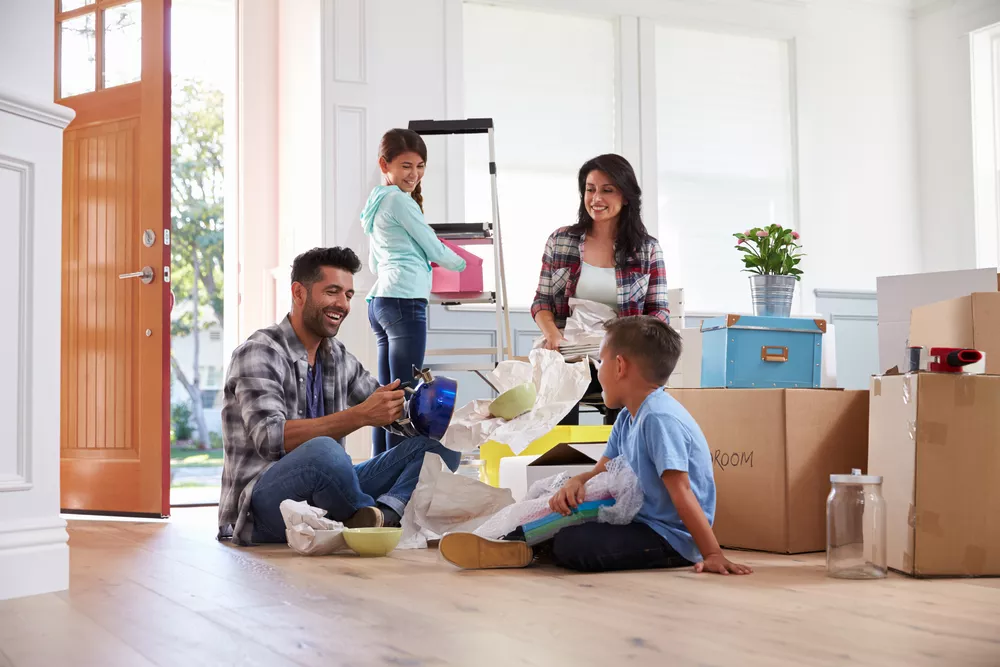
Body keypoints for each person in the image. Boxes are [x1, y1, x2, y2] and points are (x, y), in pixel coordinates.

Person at [438, 316, 752, 576]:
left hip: (670, 538)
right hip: (640, 520)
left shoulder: (658, 418)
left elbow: (681, 490)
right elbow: (600, 471)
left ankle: (519, 545)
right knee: (562, 512)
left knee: (574, 544)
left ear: (619, 367)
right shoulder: (630, 417)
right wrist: (576, 482)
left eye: (599, 361)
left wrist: (711, 553)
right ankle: (511, 541)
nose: (596, 370)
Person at [217, 246, 461, 546]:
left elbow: (385, 408)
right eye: (332, 292)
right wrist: (360, 416)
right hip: (261, 508)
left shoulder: (336, 356)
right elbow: (270, 438)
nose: (342, 304)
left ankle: (380, 516)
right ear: (299, 293)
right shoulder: (259, 351)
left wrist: (424, 410)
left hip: (323, 494)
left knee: (439, 448)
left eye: (348, 295)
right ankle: (361, 515)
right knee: (324, 451)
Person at [531, 154, 669, 426]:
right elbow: (541, 302)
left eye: (608, 190)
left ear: (626, 196)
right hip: (569, 349)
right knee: (556, 377)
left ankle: (620, 460)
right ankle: (560, 458)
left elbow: (659, 312)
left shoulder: (647, 249)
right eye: (590, 189)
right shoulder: (561, 241)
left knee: (626, 378)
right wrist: (552, 334)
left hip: (620, 353)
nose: (596, 198)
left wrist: (629, 340)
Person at [361, 128, 467, 457]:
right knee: (406, 397)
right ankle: (396, 481)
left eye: (420, 166)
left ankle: (377, 473)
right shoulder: (399, 201)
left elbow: (375, 262)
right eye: (406, 166)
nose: (414, 174)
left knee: (388, 397)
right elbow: (434, 247)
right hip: (404, 302)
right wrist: (462, 263)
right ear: (385, 164)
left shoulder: (377, 201)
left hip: (382, 302)